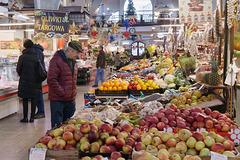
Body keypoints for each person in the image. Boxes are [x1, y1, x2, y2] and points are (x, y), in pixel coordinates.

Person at [47, 41, 82, 128]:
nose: (78, 55)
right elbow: (51, 79)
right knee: (57, 127)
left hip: (70, 99)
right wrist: (62, 93)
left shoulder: (74, 61)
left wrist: (73, 92)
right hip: (58, 99)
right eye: (77, 52)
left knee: (68, 126)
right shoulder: (56, 60)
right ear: (70, 50)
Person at [17, 39, 41, 123]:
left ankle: (25, 117)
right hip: (35, 81)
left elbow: (18, 70)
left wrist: (22, 75)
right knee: (34, 99)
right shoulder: (36, 56)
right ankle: (32, 118)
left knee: (25, 99)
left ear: (25, 46)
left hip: (24, 81)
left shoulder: (22, 57)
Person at [33, 43, 45, 119]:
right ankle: (40, 111)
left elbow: (36, 64)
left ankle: (41, 112)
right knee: (38, 93)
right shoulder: (39, 51)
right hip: (39, 75)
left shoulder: (37, 51)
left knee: (38, 94)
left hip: (37, 76)